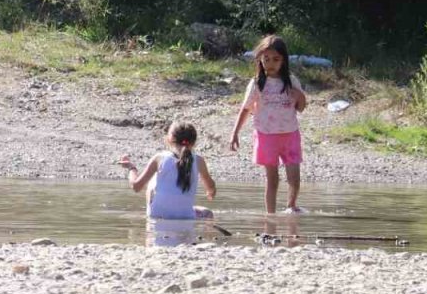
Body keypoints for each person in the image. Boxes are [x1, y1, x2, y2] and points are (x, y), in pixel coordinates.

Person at [229, 34, 307, 214]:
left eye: (276, 59)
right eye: (266, 59)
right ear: (260, 60)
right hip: (266, 136)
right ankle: (270, 216)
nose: (271, 63)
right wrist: (235, 133)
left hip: (290, 135)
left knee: (294, 177)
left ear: (284, 61)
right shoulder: (257, 83)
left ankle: (291, 206)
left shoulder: (291, 81)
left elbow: (301, 107)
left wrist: (299, 95)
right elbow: (246, 109)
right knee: (272, 180)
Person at [118, 120, 216, 220]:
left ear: (169, 139)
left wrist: (131, 168)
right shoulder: (199, 161)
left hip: (157, 216)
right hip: (186, 216)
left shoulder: (159, 158)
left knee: (153, 182)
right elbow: (211, 187)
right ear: (194, 142)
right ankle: (208, 234)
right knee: (207, 213)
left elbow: (136, 186)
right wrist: (210, 192)